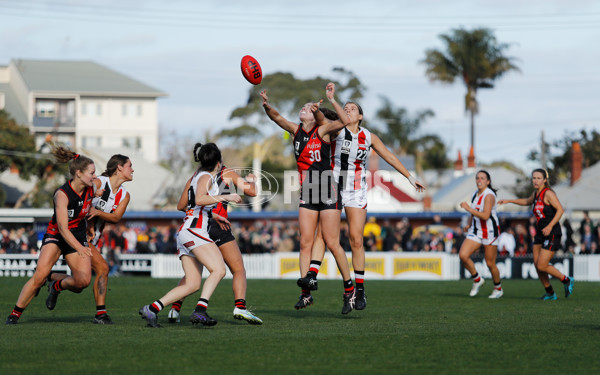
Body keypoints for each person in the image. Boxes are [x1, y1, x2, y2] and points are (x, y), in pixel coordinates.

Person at [297, 82, 425, 310]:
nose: (348, 110)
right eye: (345, 108)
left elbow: (390, 157)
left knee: (356, 240)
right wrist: (331, 101)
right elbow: (323, 122)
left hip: (356, 190)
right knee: (324, 235)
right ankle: (313, 275)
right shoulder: (336, 129)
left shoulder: (369, 137)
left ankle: (360, 289)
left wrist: (408, 177)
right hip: (333, 186)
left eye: (352, 108)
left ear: (361, 115)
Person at [260, 88, 356, 314]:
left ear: (315, 116)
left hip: (328, 187)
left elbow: (344, 121)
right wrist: (266, 105)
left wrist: (331, 101)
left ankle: (349, 289)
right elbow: (277, 118)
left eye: (308, 108)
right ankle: (306, 294)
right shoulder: (295, 131)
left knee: (332, 242)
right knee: (305, 242)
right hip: (308, 190)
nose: (303, 108)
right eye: (303, 107)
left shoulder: (323, 130)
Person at [139, 143, 241, 327]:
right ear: (219, 163)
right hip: (195, 231)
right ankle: (200, 311)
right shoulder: (206, 177)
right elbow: (200, 199)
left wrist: (214, 215)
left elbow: (186, 205)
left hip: (188, 231)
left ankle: (152, 308)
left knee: (192, 284)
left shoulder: (197, 176)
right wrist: (226, 197)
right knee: (219, 270)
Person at [6, 146, 97, 324]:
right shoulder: (62, 195)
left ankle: (55, 284)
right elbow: (63, 228)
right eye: (92, 173)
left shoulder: (91, 187)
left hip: (77, 236)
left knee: (82, 282)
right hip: (57, 236)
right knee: (39, 277)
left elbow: (88, 206)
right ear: (78, 173)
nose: (94, 176)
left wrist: (90, 225)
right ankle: (15, 314)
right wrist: (79, 248)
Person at [166, 162, 263, 325]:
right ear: (218, 161)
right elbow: (251, 192)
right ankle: (240, 306)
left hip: (198, 226)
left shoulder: (195, 177)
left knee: (193, 274)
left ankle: (175, 309)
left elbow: (181, 206)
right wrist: (252, 180)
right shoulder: (227, 173)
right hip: (219, 225)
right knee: (238, 269)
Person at [46, 154, 134, 324]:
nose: (133, 169)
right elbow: (79, 201)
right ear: (119, 168)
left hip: (94, 239)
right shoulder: (99, 182)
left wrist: (97, 214)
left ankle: (53, 282)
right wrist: (89, 222)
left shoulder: (125, 195)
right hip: (78, 235)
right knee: (103, 268)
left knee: (80, 284)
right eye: (130, 165)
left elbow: (115, 217)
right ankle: (100, 314)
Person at [499, 168, 574, 300]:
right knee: (537, 265)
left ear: (545, 180)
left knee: (542, 265)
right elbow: (527, 201)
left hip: (552, 233)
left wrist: (550, 226)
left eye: (539, 178)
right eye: (534, 178)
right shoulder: (535, 194)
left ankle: (566, 280)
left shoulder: (548, 193)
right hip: (540, 233)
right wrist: (509, 201)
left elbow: (560, 210)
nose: (535, 180)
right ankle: (550, 293)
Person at [459, 170, 503, 298]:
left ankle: (498, 288)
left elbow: (485, 215)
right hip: (476, 230)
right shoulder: (475, 194)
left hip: (490, 232)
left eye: (482, 178)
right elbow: (474, 213)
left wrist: (468, 208)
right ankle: (477, 279)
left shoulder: (489, 195)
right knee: (463, 255)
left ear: (488, 182)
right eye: (477, 178)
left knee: (490, 263)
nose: (479, 180)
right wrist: (469, 223)